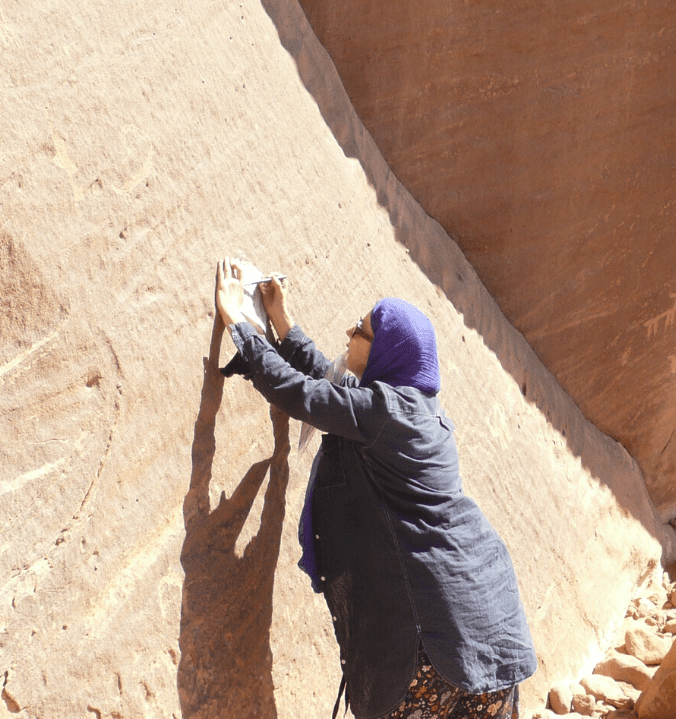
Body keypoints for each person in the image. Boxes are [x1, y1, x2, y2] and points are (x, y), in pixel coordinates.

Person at [212, 258, 537, 719]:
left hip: (443, 643)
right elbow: (332, 380)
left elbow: (302, 395)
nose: (349, 335)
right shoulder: (416, 408)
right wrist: (281, 321)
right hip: (488, 632)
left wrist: (238, 324)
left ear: (386, 350)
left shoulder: (386, 411)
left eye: (359, 331)